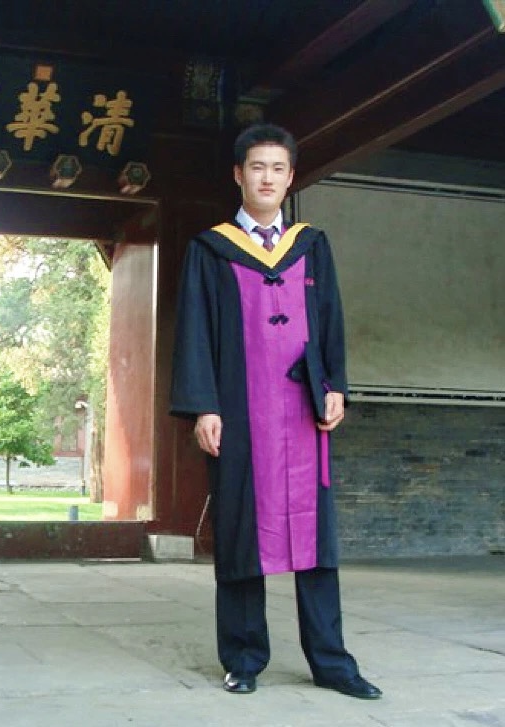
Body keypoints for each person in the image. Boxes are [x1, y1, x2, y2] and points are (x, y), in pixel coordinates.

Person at [169, 123, 381, 700]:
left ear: (291, 179)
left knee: (316, 540)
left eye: (278, 169)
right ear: (239, 175)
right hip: (241, 413)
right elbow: (194, 333)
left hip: (303, 410)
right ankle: (243, 659)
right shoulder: (210, 250)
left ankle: (332, 663)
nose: (268, 178)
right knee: (242, 533)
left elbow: (331, 319)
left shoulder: (312, 245)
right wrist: (203, 406)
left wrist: (335, 385)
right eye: (257, 167)